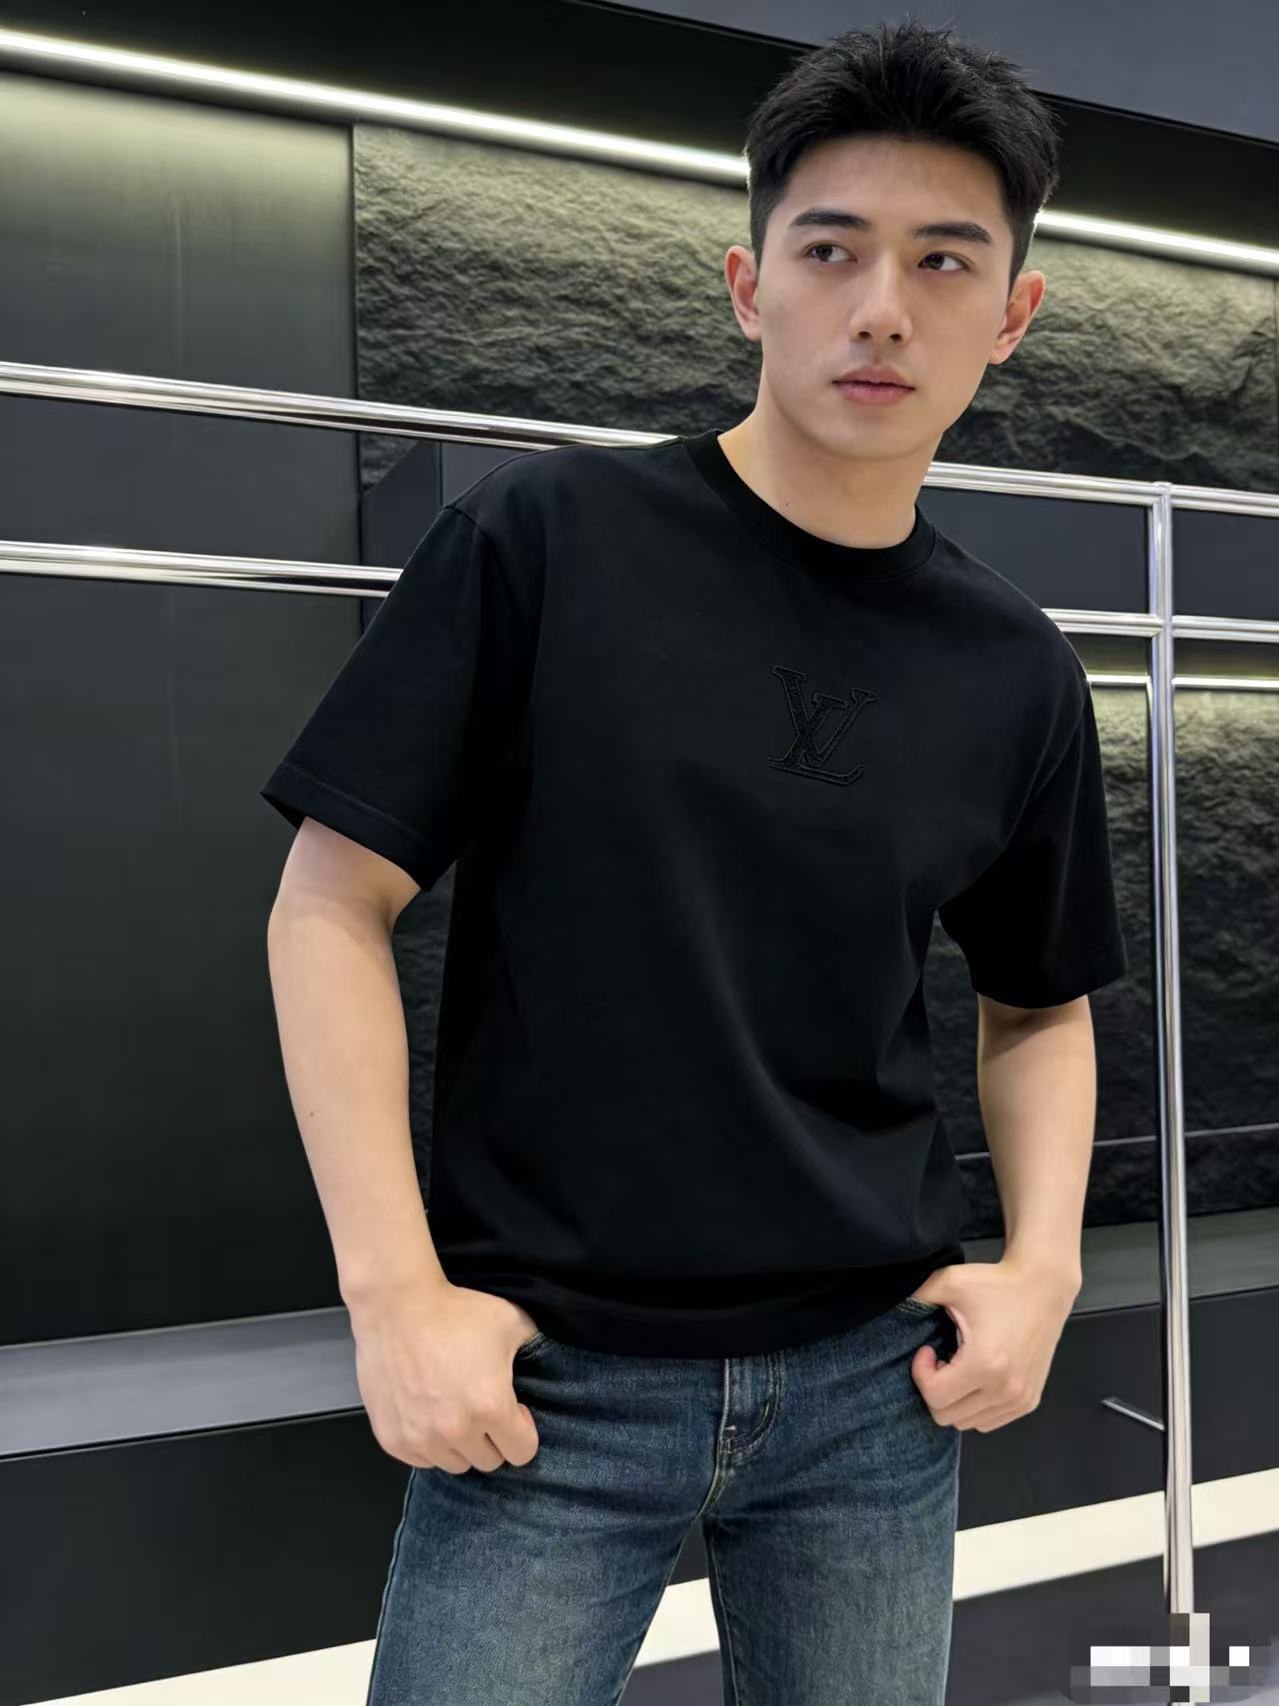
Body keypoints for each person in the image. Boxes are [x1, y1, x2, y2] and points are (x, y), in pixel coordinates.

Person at [261, 17, 1128, 1704]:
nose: (883, 307)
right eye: (833, 250)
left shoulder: (1016, 667)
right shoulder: (542, 542)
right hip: (552, 1387)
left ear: (1013, 315)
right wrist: (393, 1295)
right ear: (749, 285)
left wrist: (1046, 1266)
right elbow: (330, 905)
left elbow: (1041, 1001)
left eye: (944, 261)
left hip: (876, 1390)